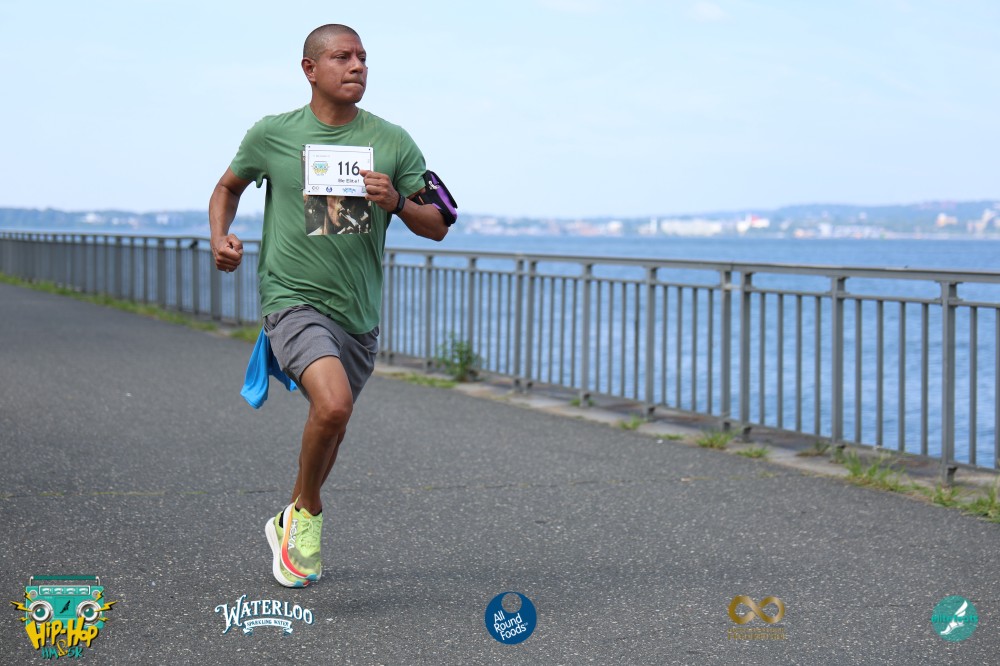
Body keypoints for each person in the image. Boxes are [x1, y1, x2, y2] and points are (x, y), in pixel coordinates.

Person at [209, 23, 450, 588]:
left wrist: (396, 201)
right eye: (342, 56)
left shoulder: (392, 140)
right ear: (310, 69)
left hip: (357, 313)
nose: (357, 65)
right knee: (335, 406)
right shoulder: (273, 133)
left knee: (332, 425)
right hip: (292, 299)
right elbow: (227, 187)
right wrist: (220, 237)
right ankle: (311, 516)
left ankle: (291, 514)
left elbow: (438, 223)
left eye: (363, 57)